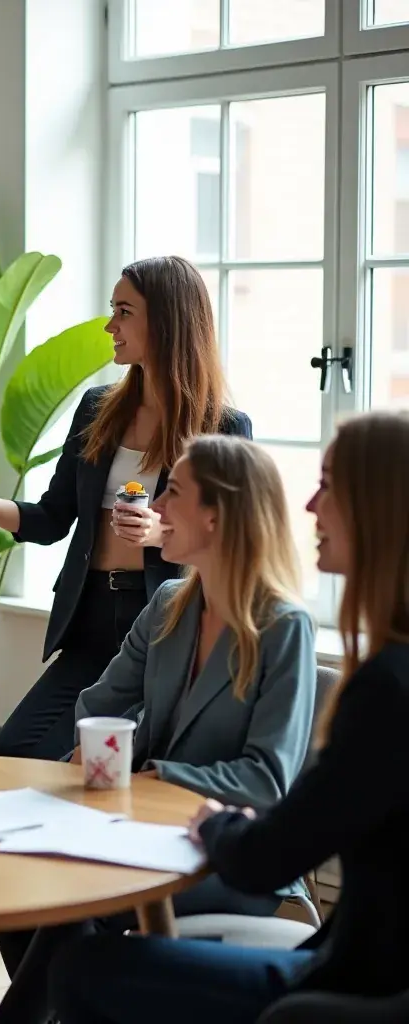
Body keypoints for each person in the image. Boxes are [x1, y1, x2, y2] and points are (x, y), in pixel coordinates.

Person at [48, 410, 409, 1024]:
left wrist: (210, 822)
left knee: (84, 964)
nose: (311, 506)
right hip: (344, 958)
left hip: (350, 981)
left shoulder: (376, 682)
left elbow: (274, 833)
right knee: (64, 931)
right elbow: (102, 705)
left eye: (329, 486)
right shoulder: (169, 604)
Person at [0, 434, 317, 1023]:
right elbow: (98, 708)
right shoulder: (167, 603)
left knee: (72, 907)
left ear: (215, 516)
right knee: (19, 891)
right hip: (141, 837)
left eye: (174, 491)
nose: (157, 506)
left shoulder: (283, 628)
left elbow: (266, 779)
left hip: (231, 860)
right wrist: (96, 752)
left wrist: (150, 772)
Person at [0, 255, 252, 761]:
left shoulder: (225, 428)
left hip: (171, 626)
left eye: (124, 311)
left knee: (123, 771)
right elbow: (51, 519)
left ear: (166, 320)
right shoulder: (98, 409)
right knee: (14, 754)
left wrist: (159, 535)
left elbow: (235, 548)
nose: (110, 326)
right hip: (92, 618)